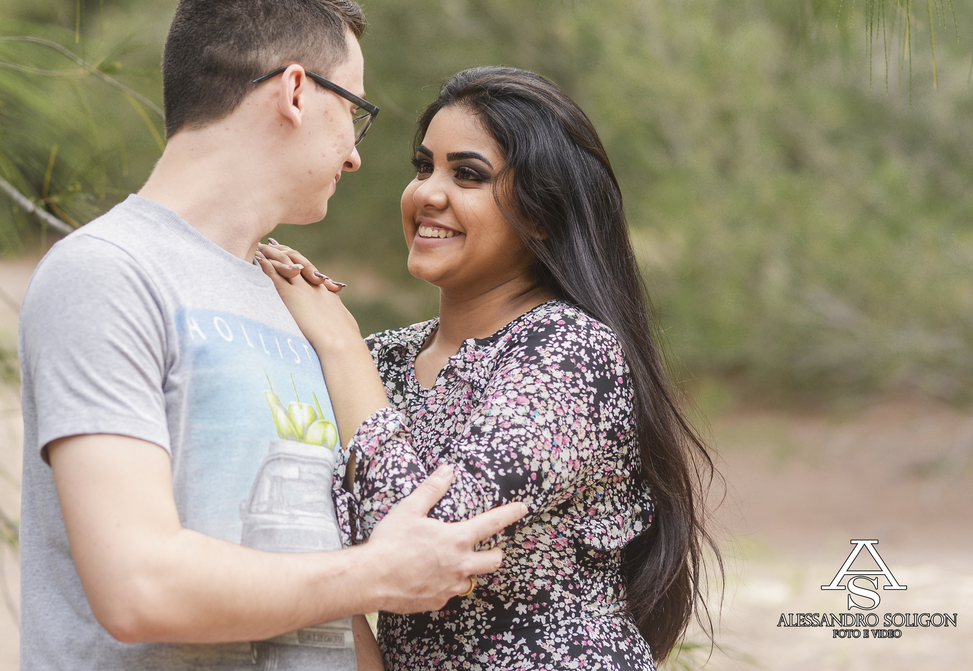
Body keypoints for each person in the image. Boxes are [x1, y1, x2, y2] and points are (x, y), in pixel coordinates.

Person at [17, 0, 525, 671]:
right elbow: (139, 588)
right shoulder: (109, 273)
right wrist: (382, 572)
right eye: (355, 112)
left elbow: (318, 594)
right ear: (294, 90)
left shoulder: (292, 301)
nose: (354, 155)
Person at [256, 66, 721, 670]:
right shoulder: (387, 362)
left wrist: (340, 345)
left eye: (467, 174)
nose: (427, 192)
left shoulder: (571, 353)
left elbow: (431, 539)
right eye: (424, 166)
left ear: (541, 214)